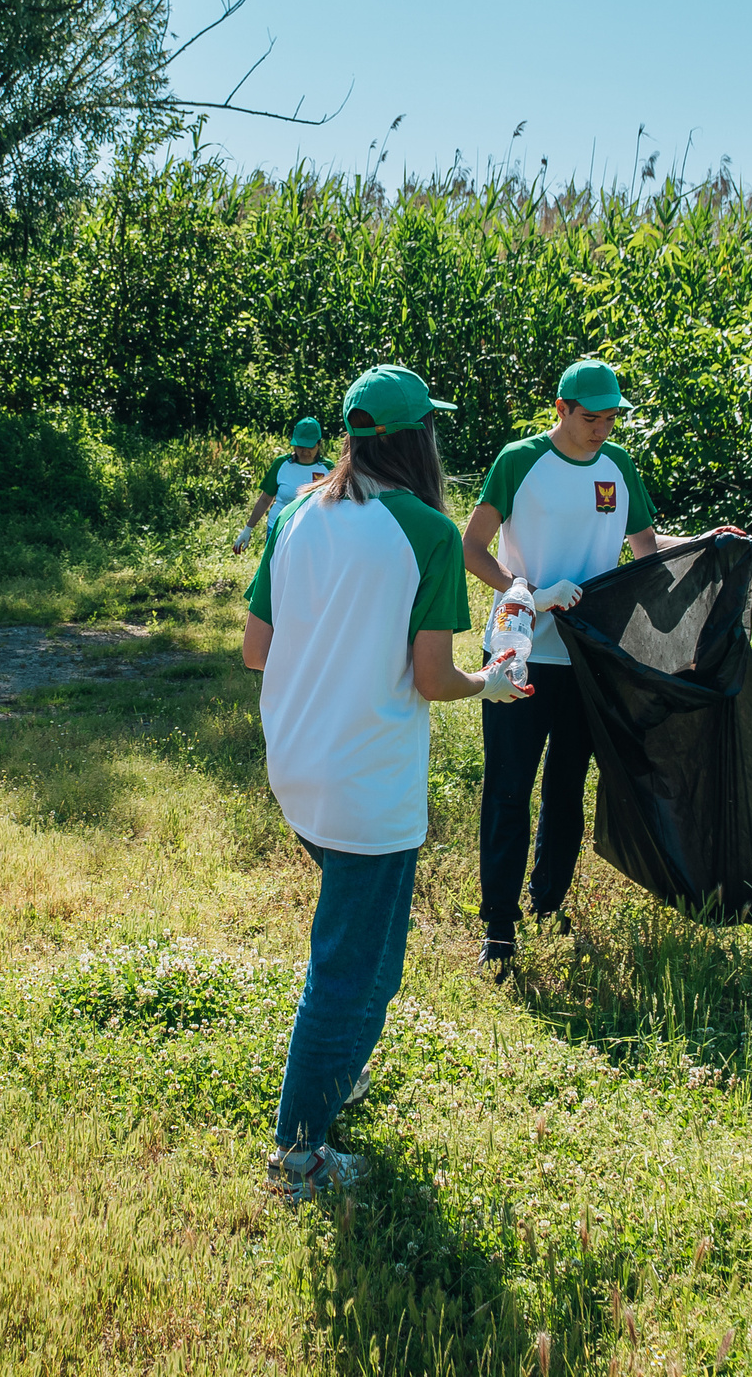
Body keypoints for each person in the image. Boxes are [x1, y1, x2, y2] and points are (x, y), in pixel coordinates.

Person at [244, 364, 524, 1202]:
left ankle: (336, 1076)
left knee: (374, 958)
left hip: (297, 768)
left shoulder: (295, 514)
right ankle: (299, 1158)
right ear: (416, 441)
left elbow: (256, 650)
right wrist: (494, 680)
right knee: (351, 968)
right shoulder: (428, 533)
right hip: (366, 782)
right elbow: (435, 678)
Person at [461, 357, 745, 975]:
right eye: (591, 418)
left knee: (566, 787)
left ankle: (547, 903)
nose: (603, 429)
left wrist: (706, 544)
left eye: (612, 417)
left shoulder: (618, 468)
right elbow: (470, 547)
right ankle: (500, 928)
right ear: (559, 410)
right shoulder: (518, 462)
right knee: (509, 788)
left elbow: (647, 549)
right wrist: (529, 592)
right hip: (519, 650)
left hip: (591, 657)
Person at [234, 417, 329, 551]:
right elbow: (265, 499)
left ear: (319, 444)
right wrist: (248, 529)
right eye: (300, 446)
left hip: (312, 532)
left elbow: (335, 505)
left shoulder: (327, 469)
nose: (305, 451)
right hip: (279, 529)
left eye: (310, 447)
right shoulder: (281, 464)